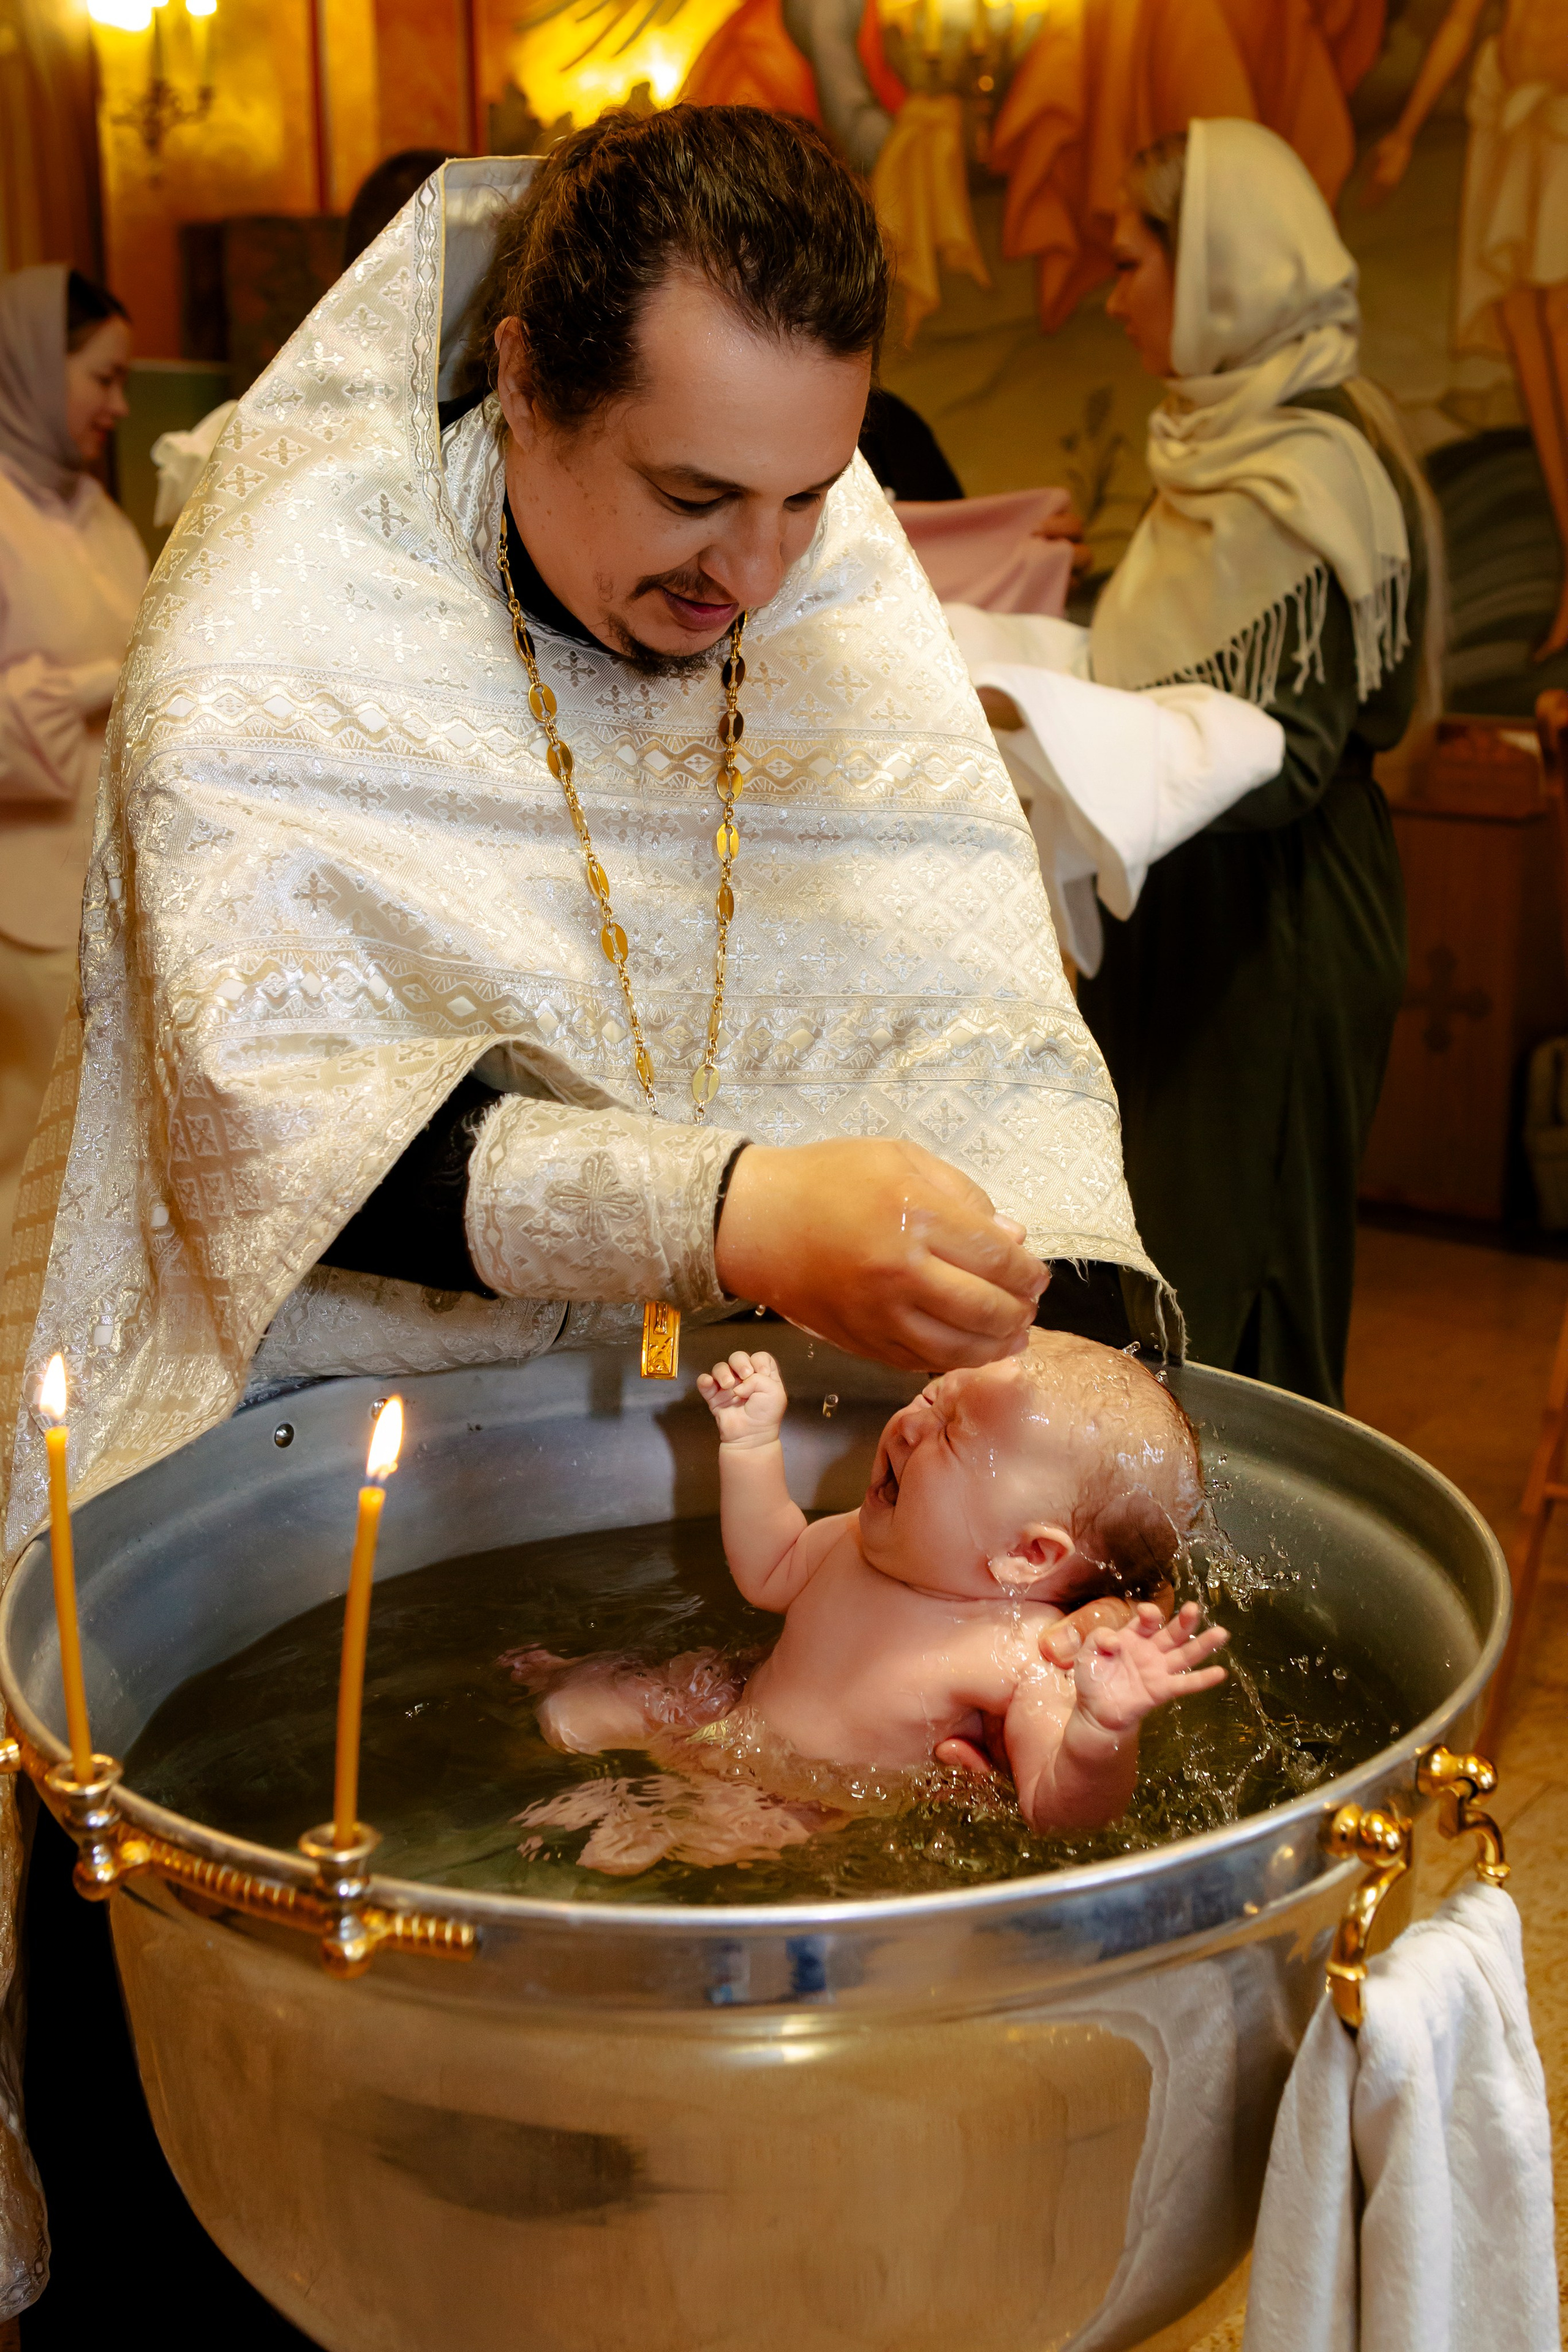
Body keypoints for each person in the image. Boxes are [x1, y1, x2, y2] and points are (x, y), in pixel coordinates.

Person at [0, 105, 1174, 1570]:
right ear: (523, 385)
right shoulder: (281, 599)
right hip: (323, 1437)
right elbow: (260, 1131)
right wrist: (729, 1209)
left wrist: (1043, 1309)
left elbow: (977, 1013)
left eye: (808, 497)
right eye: (691, 497)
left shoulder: (833, 577)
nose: (757, 573)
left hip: (712, 1410)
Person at [1075, 120, 1435, 1408]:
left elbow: (1291, 750)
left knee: (1242, 1279)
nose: (1112, 295)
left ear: (1215, 269)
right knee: (1164, 1254)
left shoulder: (1310, 464)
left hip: (1274, 921)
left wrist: (1082, 730)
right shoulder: (1215, 442)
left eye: (1131, 262)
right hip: (1191, 901)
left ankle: (1242, 1532)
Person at [522, 1332, 1226, 1866]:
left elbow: (1058, 1816)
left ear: (1027, 1555)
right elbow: (769, 1570)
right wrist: (751, 1446)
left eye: (949, 1433)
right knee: (568, 1712)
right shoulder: (860, 1539)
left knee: (702, 1836)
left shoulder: (1027, 1654)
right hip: (729, 1708)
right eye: (931, 1395)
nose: (910, 1422)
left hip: (794, 1796)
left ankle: (639, 1819)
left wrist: (1101, 1729)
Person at [0, 266, 145, 1281]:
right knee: (25, 1152)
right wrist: (100, 679)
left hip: (102, 885)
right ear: (31, 368)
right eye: (103, 377)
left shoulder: (97, 512)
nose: (120, 405)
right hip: (23, 904)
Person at [1367, 0, 1568, 658]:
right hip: (1508, 117)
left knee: (1562, 322)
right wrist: (1405, 133)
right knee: (1520, 322)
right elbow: (1462, 18)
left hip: (1561, 125)